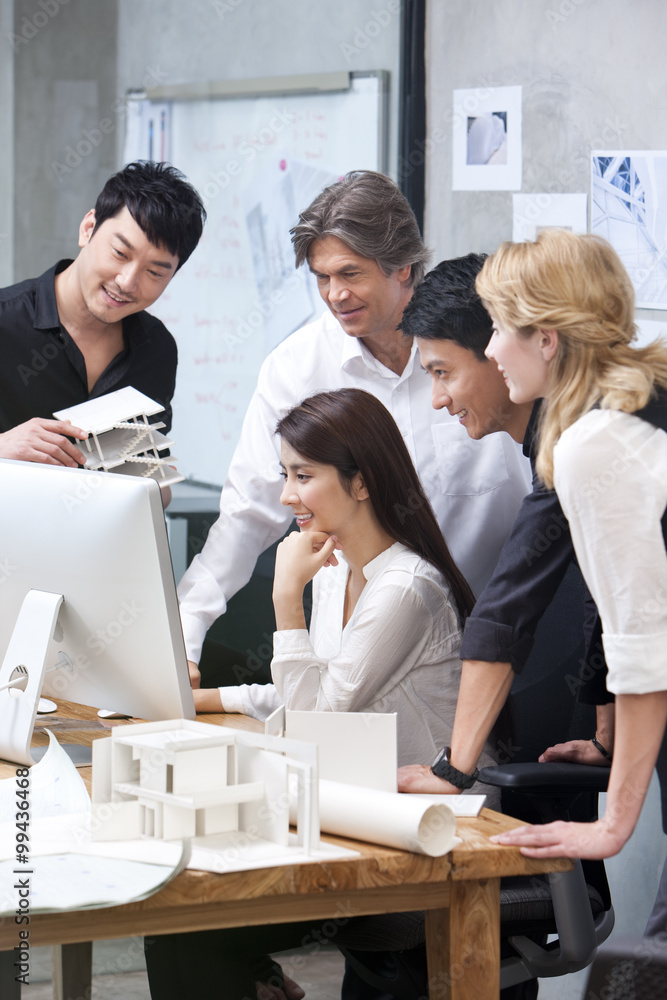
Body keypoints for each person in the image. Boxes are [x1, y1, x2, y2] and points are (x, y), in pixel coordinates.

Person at [146, 388, 496, 1000]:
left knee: (192, 928)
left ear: (361, 483)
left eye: (303, 476)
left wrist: (286, 601)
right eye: (285, 475)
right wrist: (180, 699)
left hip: (424, 841)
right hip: (348, 816)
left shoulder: (405, 589)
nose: (287, 496)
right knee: (173, 917)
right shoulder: (337, 572)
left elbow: (318, 718)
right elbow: (302, 693)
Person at [177, 170, 532, 689]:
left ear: (403, 267)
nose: (335, 295)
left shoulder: (484, 350)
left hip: (499, 643)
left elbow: (543, 487)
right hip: (363, 658)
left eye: (350, 273)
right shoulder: (296, 368)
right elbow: (247, 511)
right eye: (322, 277)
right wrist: (186, 631)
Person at [460, 228, 667, 864]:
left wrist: (614, 826)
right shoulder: (645, 401)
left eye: (497, 327)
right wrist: (606, 741)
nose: (491, 349)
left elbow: (643, 643)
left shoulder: (592, 441)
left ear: (546, 339)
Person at [397, 253, 616, 802]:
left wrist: (453, 771)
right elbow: (603, 592)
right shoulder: (577, 426)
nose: (438, 399)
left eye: (444, 372)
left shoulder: (583, 437)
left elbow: (505, 612)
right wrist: (609, 736)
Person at [0, 160, 206, 476]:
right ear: (88, 229)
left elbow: (147, 475)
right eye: (120, 254)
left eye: (154, 272)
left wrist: (152, 481)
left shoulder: (158, 349)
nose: (127, 281)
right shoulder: (5, 322)